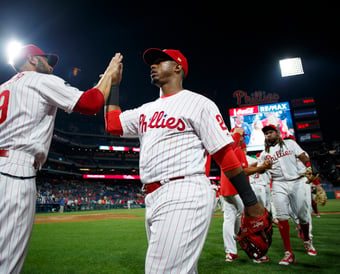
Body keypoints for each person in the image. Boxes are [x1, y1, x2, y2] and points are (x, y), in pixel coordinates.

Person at [104, 48, 266, 273]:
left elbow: (225, 157)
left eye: (160, 61)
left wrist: (251, 202)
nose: (153, 65)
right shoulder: (146, 109)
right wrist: (113, 84)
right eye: (153, 62)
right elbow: (113, 124)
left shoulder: (199, 104)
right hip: (153, 196)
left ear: (178, 67)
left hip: (185, 191)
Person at [0, 44, 123, 273]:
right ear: (31, 59)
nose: (50, 64)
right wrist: (110, 74)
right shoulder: (39, 80)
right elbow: (91, 104)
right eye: (46, 59)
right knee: (2, 267)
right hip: (12, 173)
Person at [258, 124, 317, 266]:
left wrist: (309, 166)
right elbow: (260, 171)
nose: (268, 135)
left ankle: (307, 241)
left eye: (271, 132)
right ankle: (288, 253)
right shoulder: (264, 154)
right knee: (282, 216)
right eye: (266, 134)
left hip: (297, 182)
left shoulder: (290, 143)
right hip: (278, 184)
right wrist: (263, 167)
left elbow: (302, 155)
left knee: (302, 215)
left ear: (277, 133)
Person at [220, 127, 271, 264]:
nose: (244, 138)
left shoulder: (226, 148)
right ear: (239, 137)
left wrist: (258, 165)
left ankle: (230, 252)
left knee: (229, 220)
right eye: (243, 136)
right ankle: (257, 255)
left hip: (225, 190)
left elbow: (243, 166)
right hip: (237, 190)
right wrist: (260, 168)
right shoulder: (239, 151)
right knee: (250, 221)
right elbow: (244, 172)